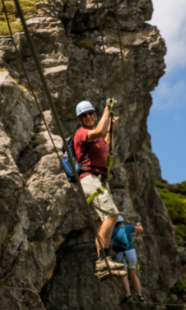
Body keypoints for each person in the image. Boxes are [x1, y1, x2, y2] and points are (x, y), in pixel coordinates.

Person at [74, 100, 125, 275]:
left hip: (98, 179)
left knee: (103, 221)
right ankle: (103, 260)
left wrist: (111, 125)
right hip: (90, 178)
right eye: (84, 115)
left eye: (90, 113)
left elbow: (106, 144)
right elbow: (99, 132)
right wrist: (106, 110)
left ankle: (102, 263)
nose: (88, 116)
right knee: (112, 214)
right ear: (80, 119)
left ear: (94, 115)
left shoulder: (96, 138)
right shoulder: (81, 133)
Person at [112, 216, 145, 302]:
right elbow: (140, 229)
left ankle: (128, 295)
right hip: (131, 252)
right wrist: (138, 224)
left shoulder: (113, 231)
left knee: (124, 276)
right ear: (122, 221)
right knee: (134, 275)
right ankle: (140, 295)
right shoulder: (128, 227)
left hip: (120, 254)